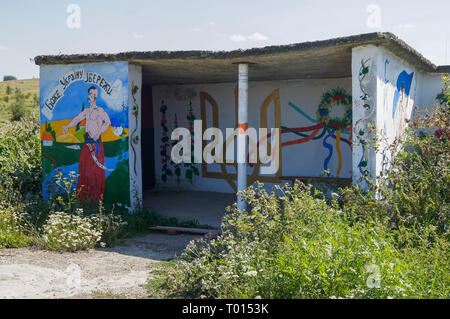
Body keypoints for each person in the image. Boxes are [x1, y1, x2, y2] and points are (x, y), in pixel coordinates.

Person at [62, 86, 111, 203]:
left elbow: (107, 122)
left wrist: (98, 133)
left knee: (96, 171)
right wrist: (68, 126)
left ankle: (97, 198)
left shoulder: (100, 111)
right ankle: (83, 198)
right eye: (90, 93)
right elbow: (77, 119)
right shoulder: (86, 111)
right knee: (83, 169)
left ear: (96, 96)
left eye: (93, 94)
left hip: (96, 144)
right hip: (87, 144)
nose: (91, 96)